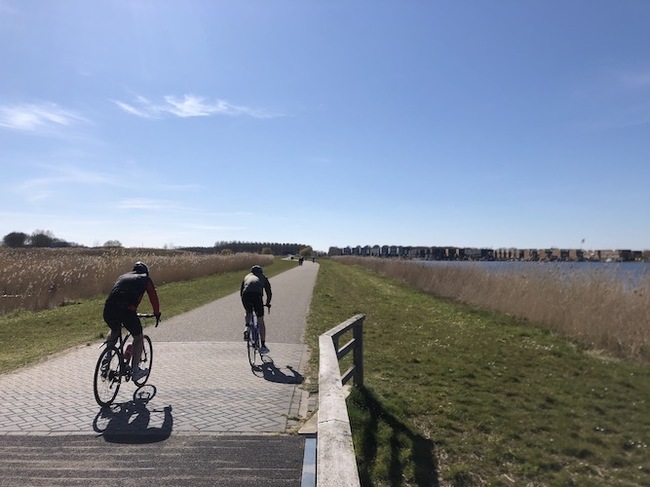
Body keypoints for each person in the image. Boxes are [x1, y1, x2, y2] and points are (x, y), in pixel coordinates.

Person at [103, 261, 161, 380]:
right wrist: (156, 313)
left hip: (109, 308)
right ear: (146, 272)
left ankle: (106, 358)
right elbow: (153, 297)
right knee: (138, 337)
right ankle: (135, 371)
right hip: (127, 311)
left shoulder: (123, 276)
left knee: (114, 329)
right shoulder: (146, 279)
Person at [240, 265, 272, 354]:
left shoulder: (246, 277)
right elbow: (268, 292)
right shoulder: (263, 278)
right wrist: (268, 302)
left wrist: (244, 303)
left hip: (245, 296)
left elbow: (241, 291)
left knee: (248, 311)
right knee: (260, 321)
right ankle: (263, 345)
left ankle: (247, 327)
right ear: (261, 272)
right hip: (257, 296)